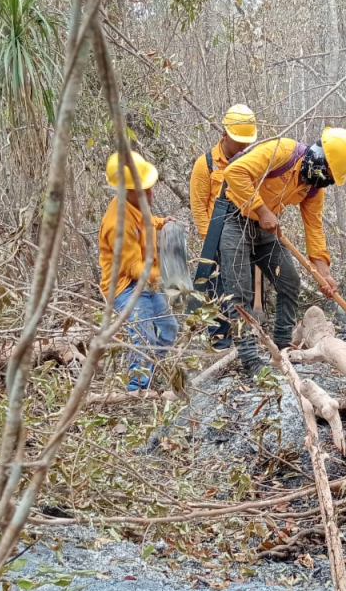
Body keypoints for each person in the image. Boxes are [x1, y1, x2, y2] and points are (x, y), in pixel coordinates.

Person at [221, 127, 346, 377]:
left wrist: (324, 274)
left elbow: (314, 228)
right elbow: (235, 171)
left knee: (289, 281)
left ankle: (283, 345)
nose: (328, 181)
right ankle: (251, 361)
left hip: (268, 230)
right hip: (234, 220)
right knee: (240, 292)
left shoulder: (313, 189)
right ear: (320, 161)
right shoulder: (283, 152)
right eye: (329, 174)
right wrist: (262, 210)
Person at [99, 150, 178, 391]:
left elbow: (145, 221)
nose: (150, 193)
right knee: (143, 339)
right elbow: (134, 269)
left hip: (147, 282)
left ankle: (153, 370)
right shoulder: (118, 224)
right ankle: (137, 391)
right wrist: (166, 275)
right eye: (144, 190)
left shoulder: (135, 207)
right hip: (126, 288)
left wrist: (161, 222)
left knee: (169, 329)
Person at [189, 105, 259, 349]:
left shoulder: (252, 162)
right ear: (225, 134)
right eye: (238, 141)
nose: (242, 147)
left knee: (243, 289)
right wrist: (211, 243)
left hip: (244, 235)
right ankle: (220, 341)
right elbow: (198, 206)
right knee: (217, 289)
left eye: (245, 142)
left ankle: (246, 337)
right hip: (217, 238)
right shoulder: (206, 164)